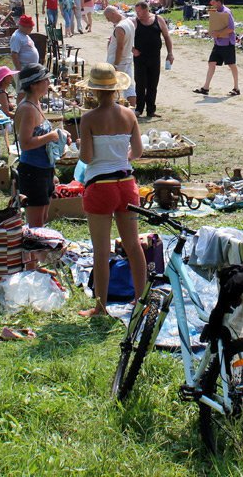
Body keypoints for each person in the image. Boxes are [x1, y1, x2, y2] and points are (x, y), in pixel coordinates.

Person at [78, 63, 146, 318]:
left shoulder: (88, 119)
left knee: (101, 249)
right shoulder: (129, 115)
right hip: (126, 184)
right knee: (134, 246)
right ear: (116, 89)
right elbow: (137, 152)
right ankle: (141, 300)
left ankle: (101, 307)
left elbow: (86, 157)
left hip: (100, 185)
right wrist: (121, 156)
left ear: (94, 91)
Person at [15, 64, 67, 228]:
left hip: (44, 169)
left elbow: (39, 134)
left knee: (43, 217)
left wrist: (59, 135)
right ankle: (33, 253)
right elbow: (25, 143)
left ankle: (37, 253)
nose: (48, 83)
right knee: (36, 223)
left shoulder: (36, 103)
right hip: (33, 170)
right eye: (45, 80)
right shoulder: (28, 109)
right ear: (34, 84)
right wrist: (51, 136)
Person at [131, 0, 174, 118]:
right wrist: (132, 49)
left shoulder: (158, 19)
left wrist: (170, 53)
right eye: (136, 12)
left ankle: (151, 110)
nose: (137, 14)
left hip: (155, 57)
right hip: (140, 57)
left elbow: (166, 36)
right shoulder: (135, 22)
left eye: (139, 11)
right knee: (140, 83)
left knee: (152, 84)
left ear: (146, 10)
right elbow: (126, 38)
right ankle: (139, 109)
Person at [194, 0, 240, 96]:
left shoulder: (227, 12)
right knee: (211, 63)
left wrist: (218, 33)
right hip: (218, 43)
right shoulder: (214, 12)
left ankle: (236, 88)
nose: (211, 3)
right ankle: (205, 88)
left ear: (218, 2)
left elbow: (231, 29)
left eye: (213, 1)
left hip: (227, 43)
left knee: (231, 64)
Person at [104, 6, 137, 104]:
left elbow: (120, 47)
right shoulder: (129, 22)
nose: (108, 20)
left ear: (113, 14)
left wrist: (116, 64)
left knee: (110, 86)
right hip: (127, 58)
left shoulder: (119, 27)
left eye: (108, 17)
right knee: (129, 85)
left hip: (118, 60)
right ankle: (132, 109)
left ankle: (110, 108)